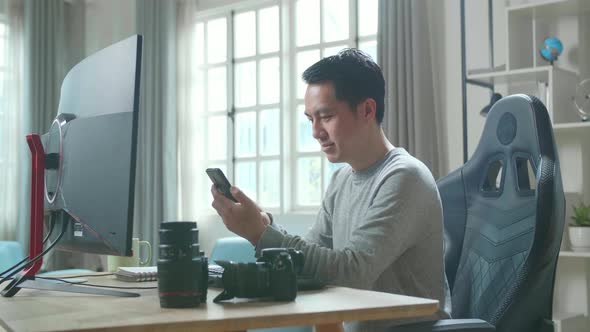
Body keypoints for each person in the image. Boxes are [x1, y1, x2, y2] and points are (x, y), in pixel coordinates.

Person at [210, 48, 451, 331]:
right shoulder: (341, 180)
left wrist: (260, 234)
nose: (315, 131)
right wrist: (266, 226)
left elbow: (350, 272)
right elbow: (313, 260)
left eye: (325, 116)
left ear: (367, 110)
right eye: (310, 119)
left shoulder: (405, 178)